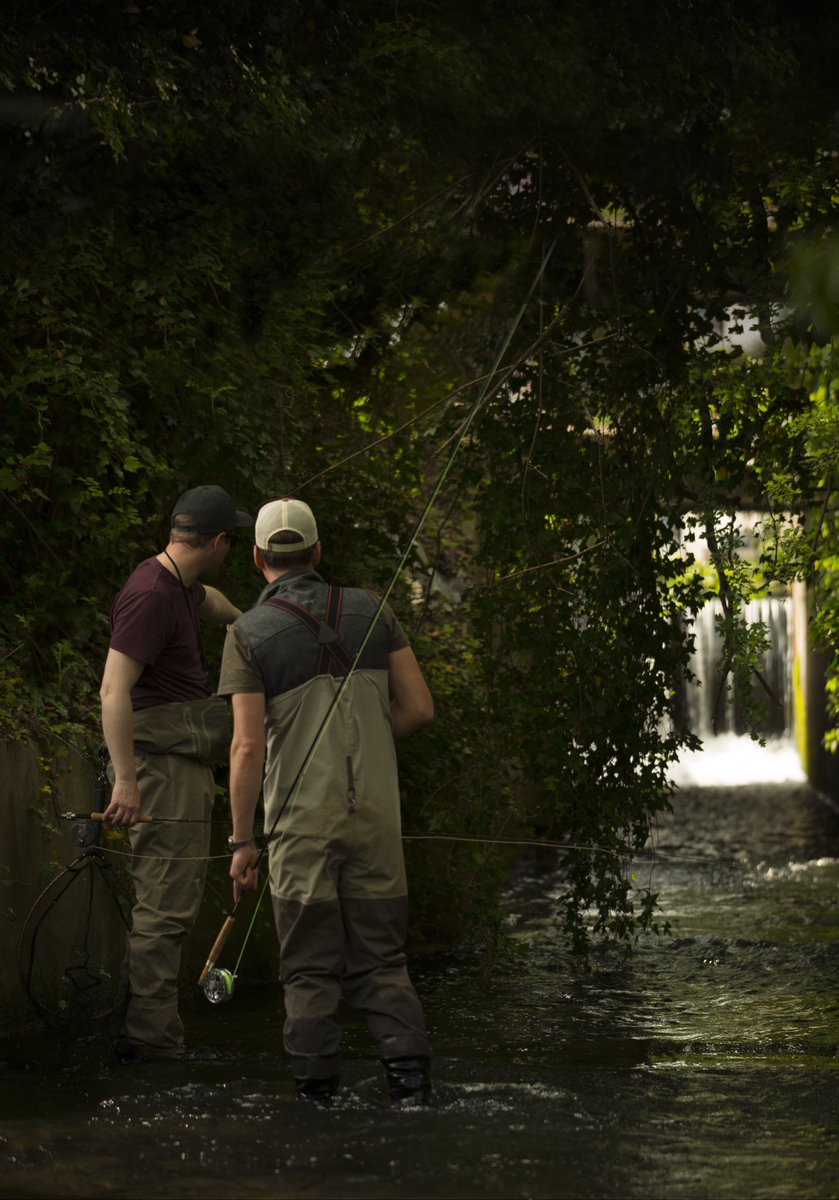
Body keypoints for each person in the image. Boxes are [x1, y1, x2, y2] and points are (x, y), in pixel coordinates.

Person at [218, 498, 434, 1105]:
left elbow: (245, 747)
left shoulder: (248, 634)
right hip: (378, 820)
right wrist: (364, 739)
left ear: (258, 557)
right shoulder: (373, 609)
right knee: (384, 964)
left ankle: (316, 1105)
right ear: (316, 553)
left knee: (310, 971)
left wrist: (241, 842)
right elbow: (419, 708)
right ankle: (412, 1092)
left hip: (299, 828)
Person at [100, 484, 253, 1061]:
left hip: (181, 762)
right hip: (159, 769)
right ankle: (150, 1043)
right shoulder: (150, 596)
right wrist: (126, 781)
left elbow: (211, 599)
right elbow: (114, 690)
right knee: (165, 907)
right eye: (229, 542)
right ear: (216, 542)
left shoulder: (180, 584)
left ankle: (141, 1028)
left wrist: (248, 623)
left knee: (171, 902)